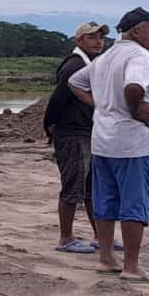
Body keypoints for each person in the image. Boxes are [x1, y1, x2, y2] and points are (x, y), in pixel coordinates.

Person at [69, 7, 149, 282]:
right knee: (134, 203)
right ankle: (131, 266)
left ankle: (106, 259)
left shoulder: (106, 57)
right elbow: (134, 87)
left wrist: (101, 106)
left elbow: (75, 82)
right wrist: (136, 108)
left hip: (103, 141)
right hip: (134, 143)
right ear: (136, 30)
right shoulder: (139, 55)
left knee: (105, 200)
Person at [43, 21, 112, 254]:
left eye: (101, 37)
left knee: (94, 187)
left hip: (87, 132)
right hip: (72, 133)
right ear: (79, 40)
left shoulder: (90, 64)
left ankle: (100, 237)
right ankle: (66, 238)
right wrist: (50, 125)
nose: (99, 41)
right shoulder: (74, 66)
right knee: (73, 185)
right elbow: (57, 99)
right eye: (92, 37)